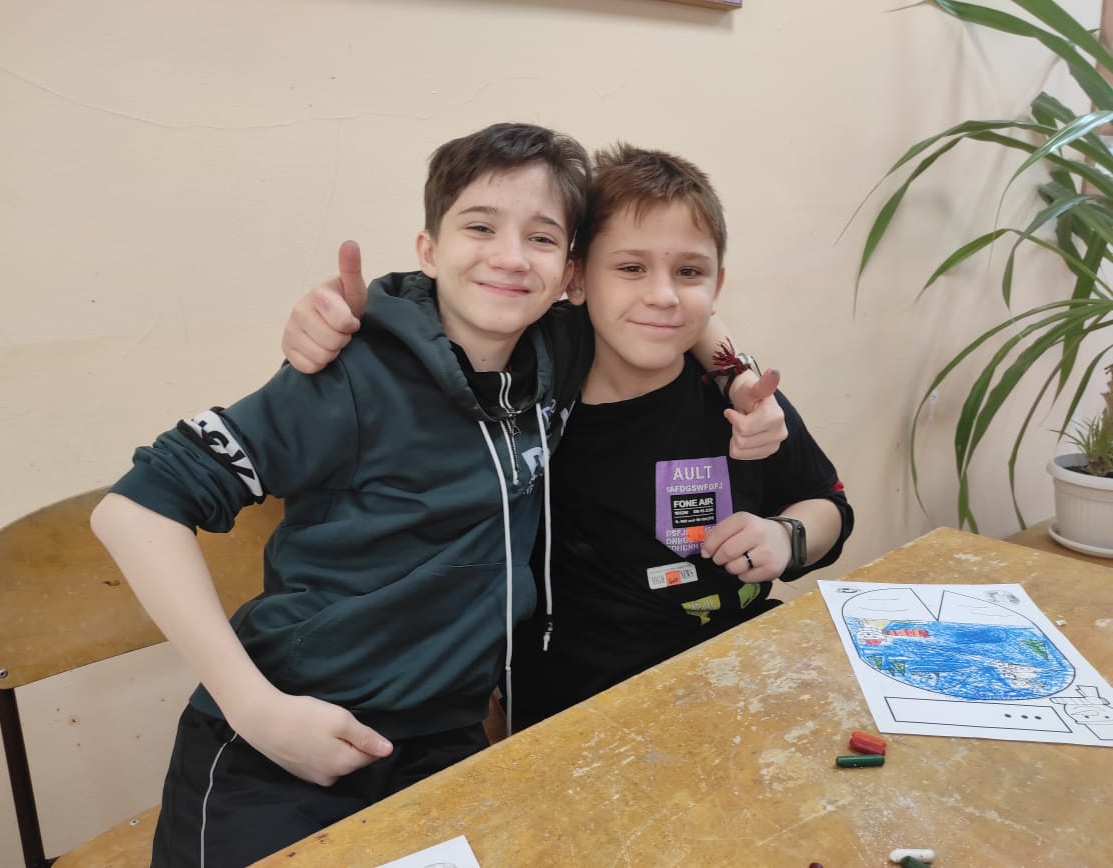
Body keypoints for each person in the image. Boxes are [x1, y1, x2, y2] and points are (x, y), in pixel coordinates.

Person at [90, 121, 595, 867]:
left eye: (542, 238)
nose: (511, 256)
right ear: (428, 250)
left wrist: (736, 374)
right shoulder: (350, 374)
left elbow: (673, 294)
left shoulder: (561, 350)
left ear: (570, 274)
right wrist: (256, 709)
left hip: (441, 738)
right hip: (285, 735)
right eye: (480, 226)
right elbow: (133, 510)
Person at [282, 144, 853, 732]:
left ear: (717, 285)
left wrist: (787, 536)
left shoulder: (744, 402)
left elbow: (829, 504)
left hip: (746, 675)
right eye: (630, 268)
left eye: (689, 272)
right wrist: (341, 319)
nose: (663, 295)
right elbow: (440, 311)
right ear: (576, 279)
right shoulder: (527, 396)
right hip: (580, 711)